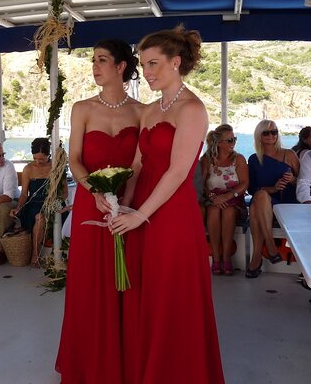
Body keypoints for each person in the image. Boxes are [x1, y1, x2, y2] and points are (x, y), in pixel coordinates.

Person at [110, 26, 225, 383]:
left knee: (169, 296)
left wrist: (141, 214)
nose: (147, 73)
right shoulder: (151, 110)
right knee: (144, 293)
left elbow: (177, 172)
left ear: (176, 62)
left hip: (171, 214)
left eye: (154, 64)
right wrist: (122, 205)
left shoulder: (192, 109)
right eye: (144, 65)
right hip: (141, 208)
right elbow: (138, 164)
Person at [56, 39, 143, 384]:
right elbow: (74, 160)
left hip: (127, 210)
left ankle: (126, 363)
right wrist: (93, 191)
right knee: (90, 287)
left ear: (121, 67)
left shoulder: (141, 111)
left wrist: (126, 205)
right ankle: (90, 365)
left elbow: (139, 166)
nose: (94, 66)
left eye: (102, 60)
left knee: (128, 283)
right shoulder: (82, 108)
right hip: (90, 208)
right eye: (93, 60)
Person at [245, 120, 300, 278]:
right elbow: (252, 188)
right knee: (260, 196)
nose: (271, 136)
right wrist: (273, 189)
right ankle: (270, 247)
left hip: (286, 203)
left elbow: (302, 182)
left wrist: (291, 180)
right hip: (265, 202)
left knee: (256, 206)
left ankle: (257, 257)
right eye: (266, 133)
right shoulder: (255, 159)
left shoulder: (288, 154)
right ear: (259, 136)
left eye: (274, 132)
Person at [10, 137, 68, 267]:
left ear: (49, 155)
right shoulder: (28, 169)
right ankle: (35, 255)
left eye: (41, 159)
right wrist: (19, 207)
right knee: (40, 217)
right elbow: (24, 194)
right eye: (35, 158)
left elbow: (65, 192)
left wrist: (56, 203)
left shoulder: (57, 167)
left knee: (45, 216)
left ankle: (56, 253)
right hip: (34, 204)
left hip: (53, 203)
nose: (38, 162)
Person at [200, 124, 248, 276]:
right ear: (219, 143)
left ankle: (226, 257)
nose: (233, 142)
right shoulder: (207, 160)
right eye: (230, 140)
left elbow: (245, 183)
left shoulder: (238, 159)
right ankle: (216, 258)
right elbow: (202, 184)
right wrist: (212, 197)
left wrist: (228, 196)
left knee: (228, 211)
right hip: (213, 199)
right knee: (213, 211)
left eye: (234, 139)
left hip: (234, 198)